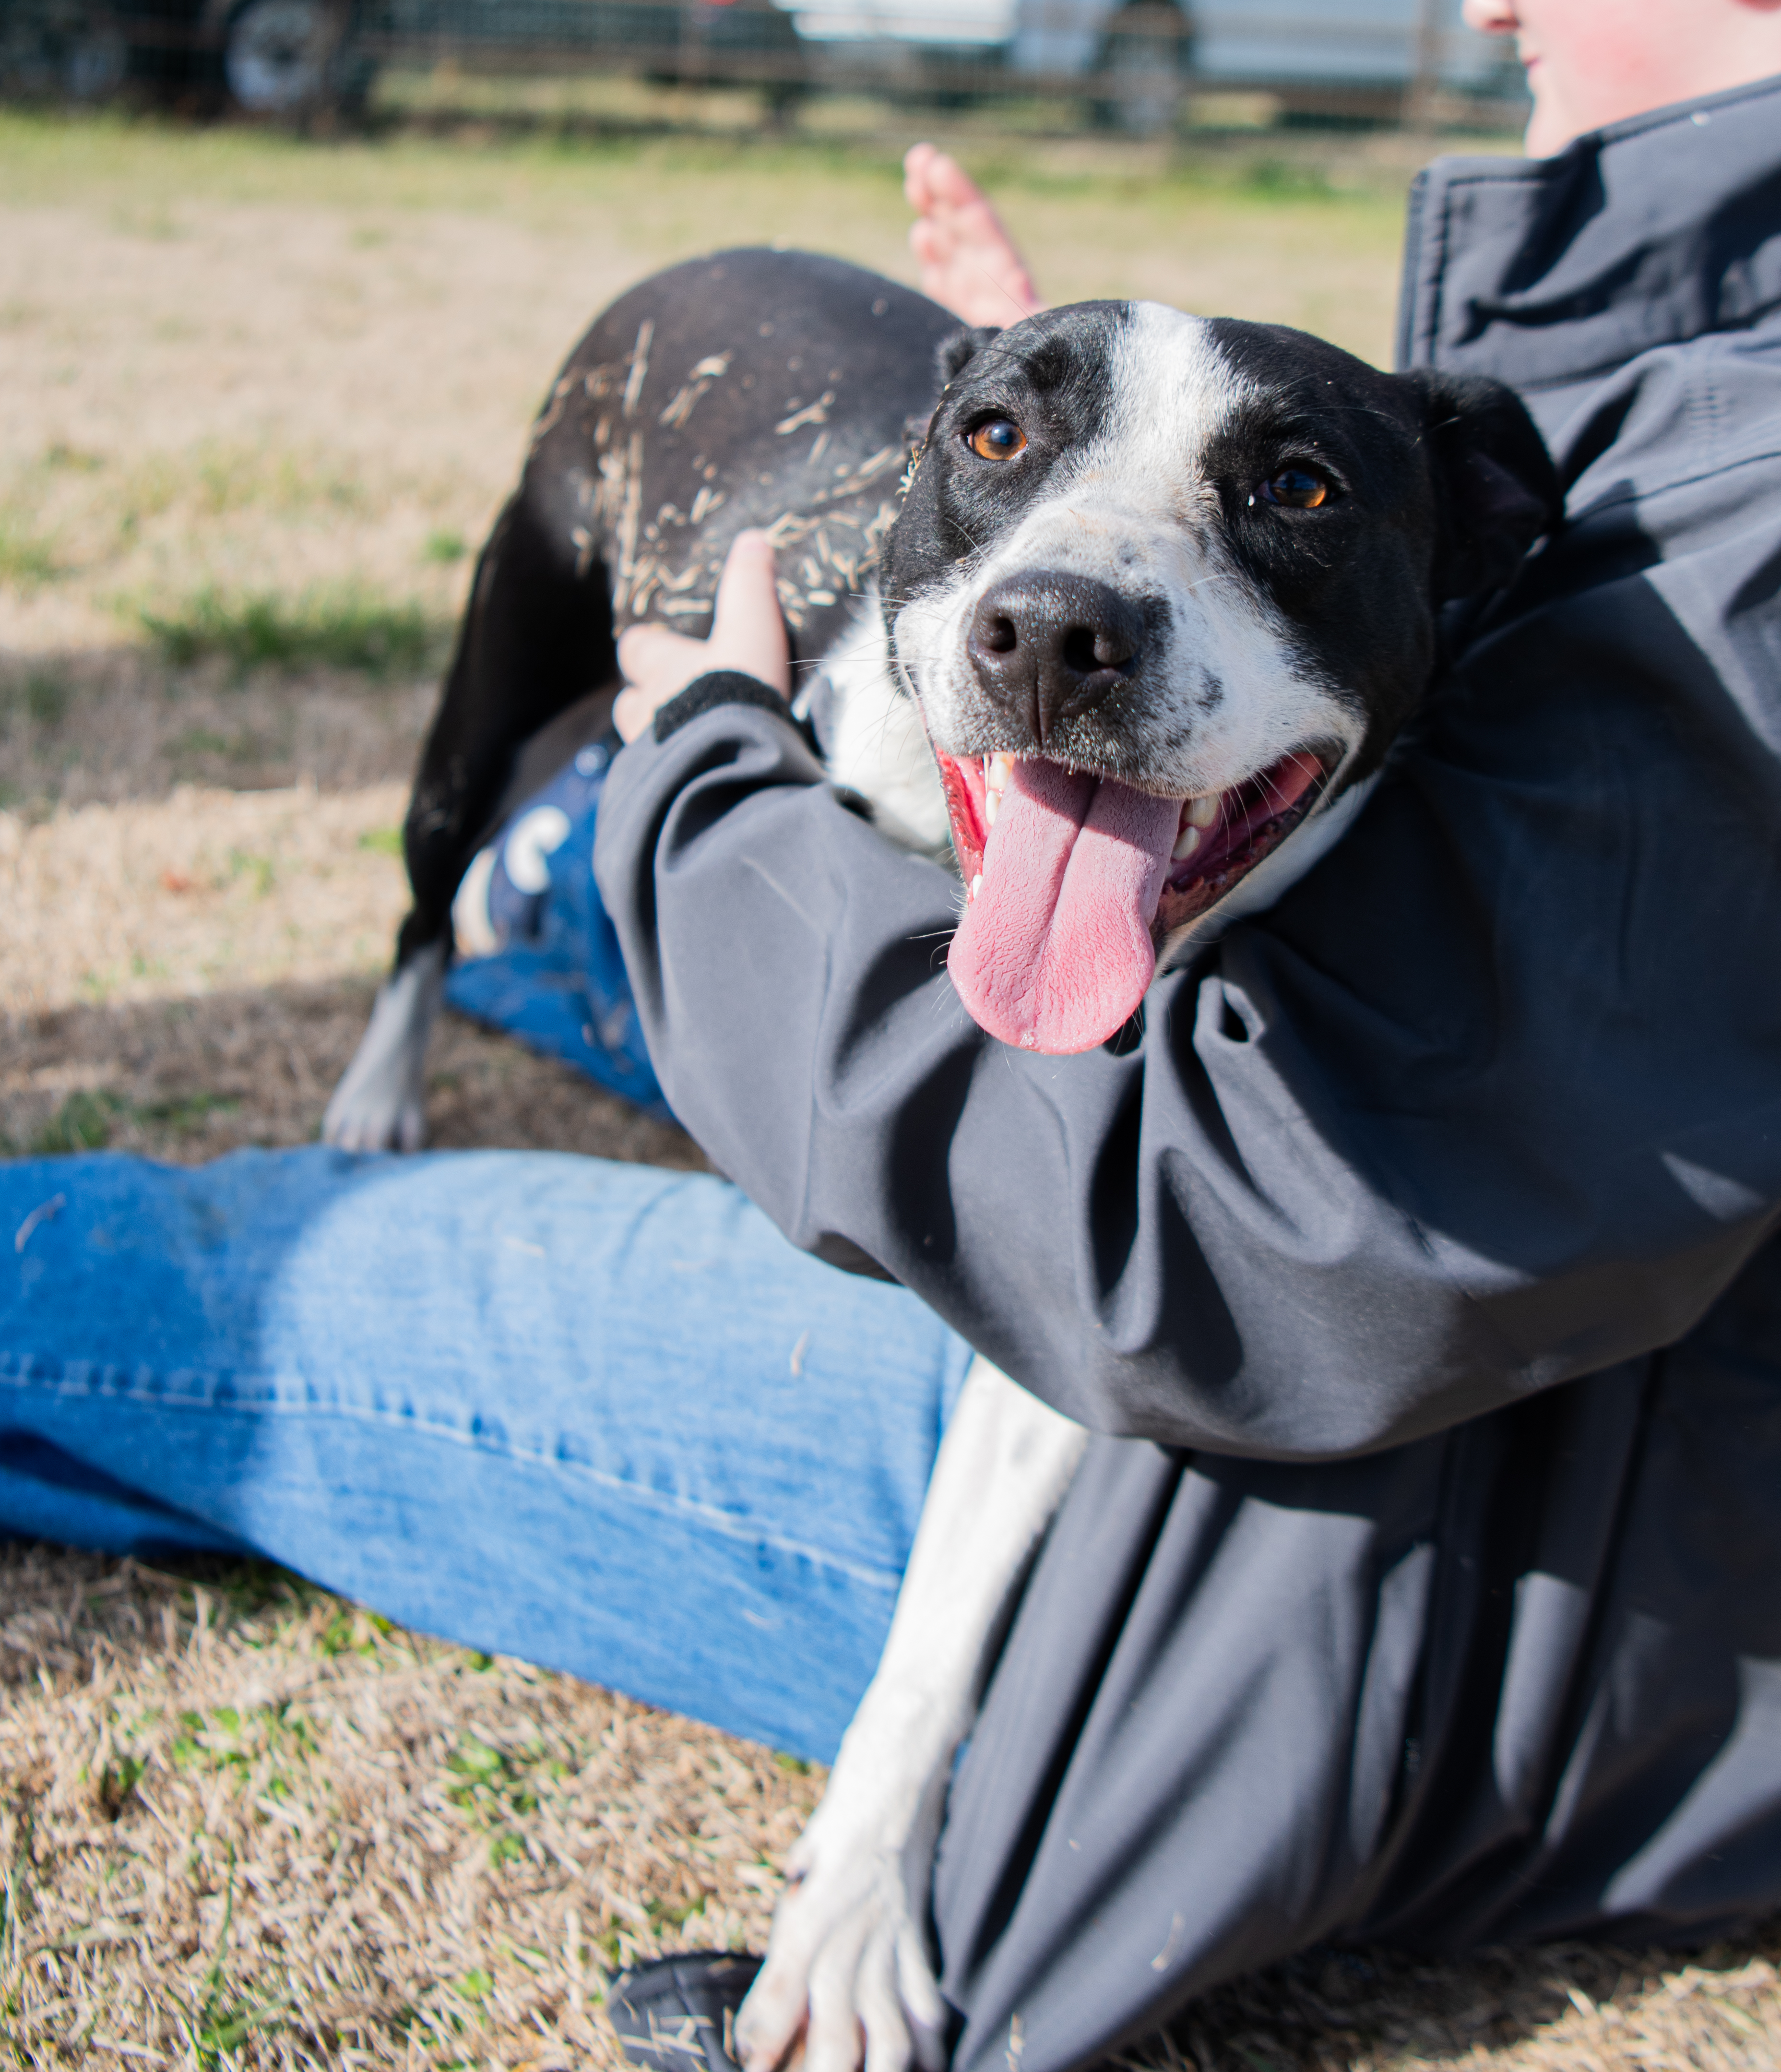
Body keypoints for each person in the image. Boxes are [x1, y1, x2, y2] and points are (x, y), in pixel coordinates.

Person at [5, 3, 1781, 2067]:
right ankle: (536, 909)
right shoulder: (1683, 366)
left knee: (161, 1284)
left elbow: (1186, 1249)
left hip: (1275, 1561)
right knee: (683, 902)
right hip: (1509, 1531)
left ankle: (593, 868)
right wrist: (1084, 467)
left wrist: (710, 802)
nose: (1487, 2)